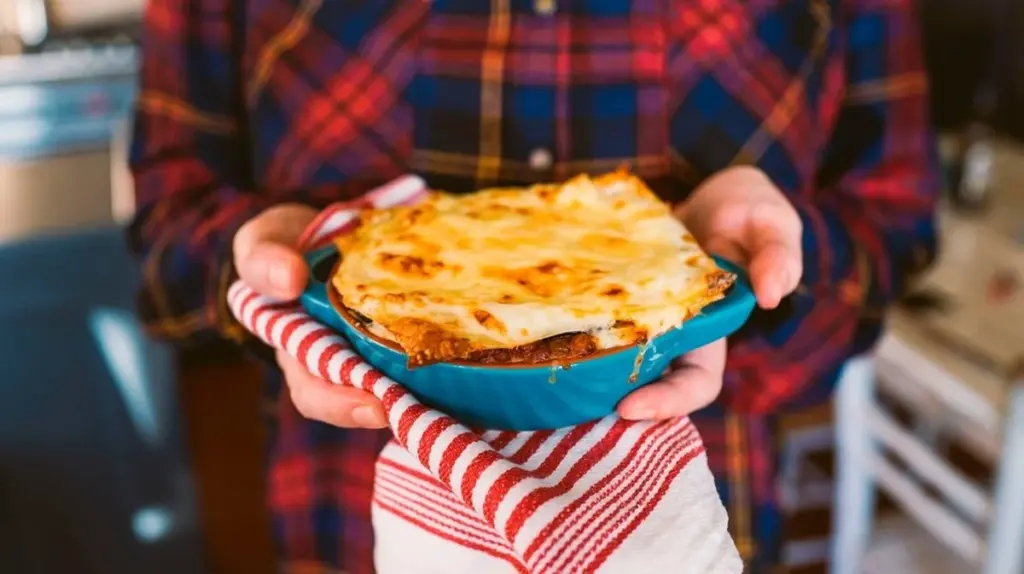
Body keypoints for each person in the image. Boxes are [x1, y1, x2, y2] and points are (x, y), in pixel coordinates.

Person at [128, 0, 939, 571]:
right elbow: (170, 232)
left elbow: (892, 219)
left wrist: (754, 284)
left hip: (687, 517)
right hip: (357, 523)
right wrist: (268, 269)